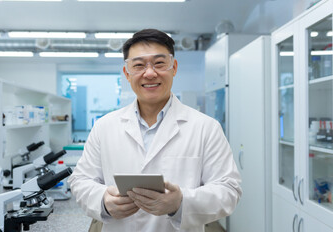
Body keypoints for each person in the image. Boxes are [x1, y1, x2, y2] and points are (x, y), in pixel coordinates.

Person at [68, 28, 242, 232]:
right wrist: (103, 201)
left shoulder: (206, 127)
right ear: (127, 73)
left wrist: (181, 202)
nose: (149, 73)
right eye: (139, 65)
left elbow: (229, 190)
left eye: (159, 63)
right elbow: (81, 180)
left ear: (174, 67)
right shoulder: (104, 126)